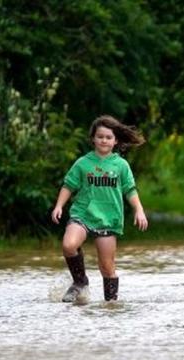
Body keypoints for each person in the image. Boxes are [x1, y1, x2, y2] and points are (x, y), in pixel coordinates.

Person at [51, 115, 148, 303]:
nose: (104, 140)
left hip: (108, 219)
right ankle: (80, 282)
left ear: (115, 141)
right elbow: (68, 185)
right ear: (93, 139)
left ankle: (110, 305)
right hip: (83, 214)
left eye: (108, 137)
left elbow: (130, 190)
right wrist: (59, 206)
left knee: (107, 268)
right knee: (69, 245)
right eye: (100, 136)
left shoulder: (121, 165)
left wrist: (139, 210)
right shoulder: (83, 163)